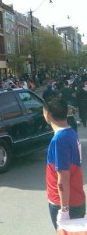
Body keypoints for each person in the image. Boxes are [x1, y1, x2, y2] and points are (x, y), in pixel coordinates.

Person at [43, 97, 86, 229]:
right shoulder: (71, 132)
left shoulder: (59, 140)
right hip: (76, 198)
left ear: (48, 115)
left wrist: (64, 210)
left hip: (64, 203)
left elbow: (63, 178)